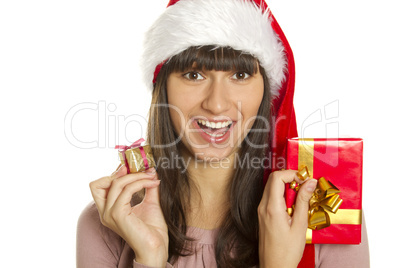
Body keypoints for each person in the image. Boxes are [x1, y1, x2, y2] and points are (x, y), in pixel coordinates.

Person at [76, 0, 369, 267]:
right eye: (194, 74)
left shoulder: (324, 210)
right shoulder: (111, 221)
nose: (216, 104)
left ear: (267, 92)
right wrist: (150, 257)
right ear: (163, 89)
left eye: (240, 75)